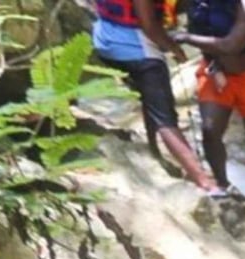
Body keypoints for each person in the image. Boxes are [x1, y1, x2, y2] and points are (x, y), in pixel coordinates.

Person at [171, 0, 245, 230]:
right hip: (216, 72)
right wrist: (214, 69)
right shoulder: (196, 4)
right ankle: (223, 186)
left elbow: (230, 45)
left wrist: (183, 38)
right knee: (209, 130)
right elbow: (205, 38)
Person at [90, 0, 220, 194]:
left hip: (104, 40)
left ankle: (154, 148)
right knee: (166, 119)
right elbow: (149, 25)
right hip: (137, 50)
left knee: (149, 99)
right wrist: (174, 48)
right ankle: (204, 182)